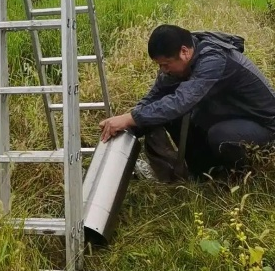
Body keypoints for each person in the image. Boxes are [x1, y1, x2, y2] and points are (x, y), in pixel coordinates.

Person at [99, 24, 275, 180]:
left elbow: (182, 101)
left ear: (184, 52)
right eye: (159, 65)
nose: (163, 70)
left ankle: (237, 177)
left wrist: (132, 118)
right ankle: (202, 173)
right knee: (162, 114)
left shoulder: (213, 60)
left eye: (166, 64)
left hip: (264, 125)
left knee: (220, 135)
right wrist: (128, 122)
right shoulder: (183, 62)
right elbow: (156, 95)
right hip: (229, 114)